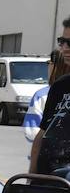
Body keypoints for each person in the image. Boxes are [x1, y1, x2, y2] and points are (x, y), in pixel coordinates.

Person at [29, 19, 70, 173]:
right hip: (49, 180)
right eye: (62, 42)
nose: (64, 48)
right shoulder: (60, 86)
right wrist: (31, 177)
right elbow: (42, 133)